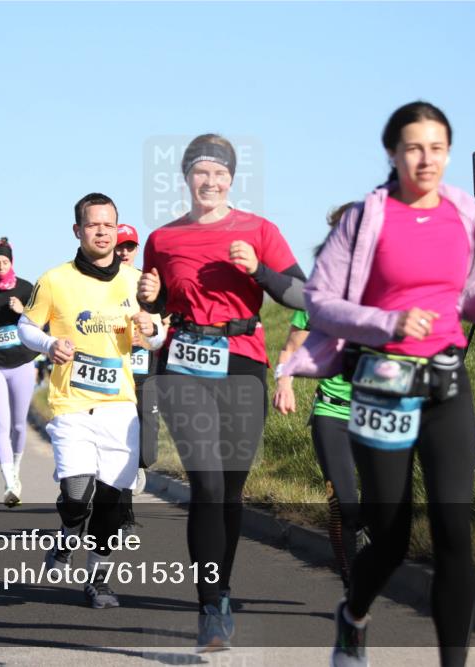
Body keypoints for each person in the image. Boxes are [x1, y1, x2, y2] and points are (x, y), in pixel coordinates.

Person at [282, 101, 475, 667]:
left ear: (449, 152)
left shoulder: (466, 213)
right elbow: (320, 303)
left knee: (454, 534)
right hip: (383, 384)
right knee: (392, 538)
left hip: (448, 382)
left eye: (438, 148)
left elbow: (464, 297)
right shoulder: (365, 217)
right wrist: (388, 322)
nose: (427, 159)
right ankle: (353, 616)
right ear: (393, 154)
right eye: (414, 148)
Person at [137, 134, 307, 651]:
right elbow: (158, 311)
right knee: (206, 486)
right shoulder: (162, 239)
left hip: (243, 363)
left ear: (231, 180)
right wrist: (150, 299)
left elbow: (303, 297)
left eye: (219, 175)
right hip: (183, 363)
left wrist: (258, 269)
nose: (209, 182)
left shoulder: (259, 229)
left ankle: (223, 588)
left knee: (231, 491)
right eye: (200, 173)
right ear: (186, 178)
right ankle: (209, 605)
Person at [18, 192, 163, 609]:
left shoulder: (136, 282)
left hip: (120, 404)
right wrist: (47, 344)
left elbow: (159, 335)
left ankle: (98, 580)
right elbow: (25, 326)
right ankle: (66, 536)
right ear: (77, 230)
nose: (102, 231)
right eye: (93, 224)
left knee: (113, 504)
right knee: (78, 494)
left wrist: (149, 330)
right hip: (70, 404)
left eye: (109, 224)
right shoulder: (55, 279)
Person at [274, 301, 361, 589]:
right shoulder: (318, 299)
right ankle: (353, 587)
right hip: (332, 413)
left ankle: (368, 547)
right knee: (344, 506)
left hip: (378, 415)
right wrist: (284, 384)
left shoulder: (389, 290)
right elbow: (290, 349)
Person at [0, 238, 38, 507]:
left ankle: (17, 467)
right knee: (0, 424)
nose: (0, 266)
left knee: (18, 424)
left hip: (22, 361)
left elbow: (40, 320)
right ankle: (9, 481)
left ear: (12, 262)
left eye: (4, 261)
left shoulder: (26, 288)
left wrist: (22, 311)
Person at [114, 223, 159, 534]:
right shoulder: (103, 283)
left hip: (148, 370)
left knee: (147, 448)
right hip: (117, 374)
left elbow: (164, 318)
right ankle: (124, 512)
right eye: (120, 246)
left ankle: (140, 467)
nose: (124, 252)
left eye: (129, 246)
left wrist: (153, 330)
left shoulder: (147, 282)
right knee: (121, 442)